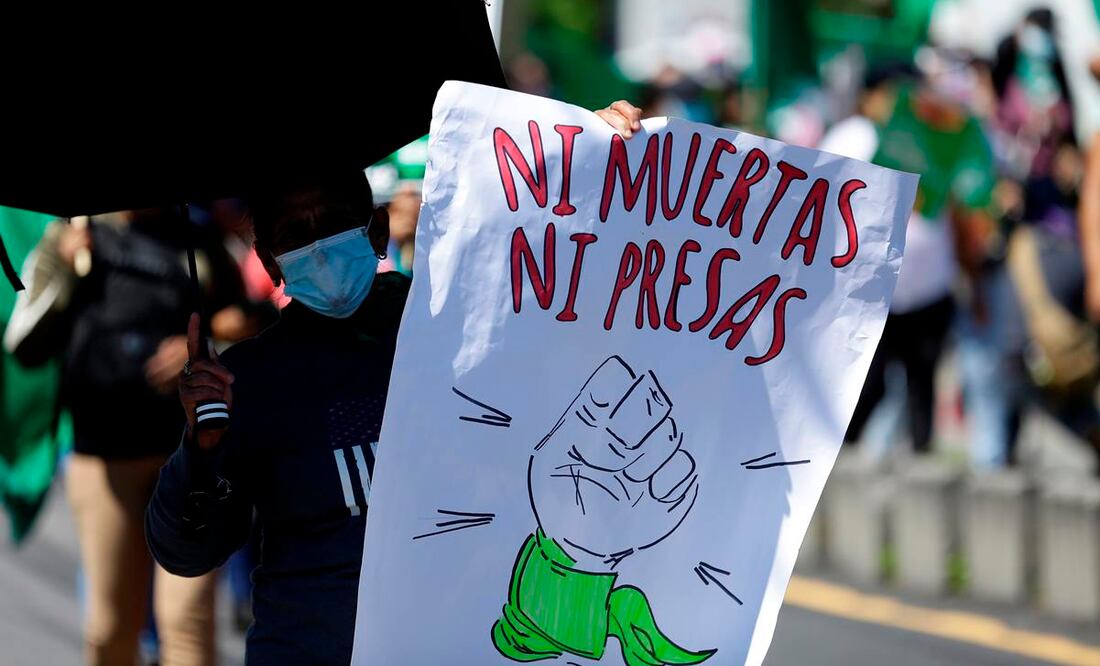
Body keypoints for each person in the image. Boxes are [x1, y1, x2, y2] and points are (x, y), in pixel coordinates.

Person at [145, 101, 646, 665]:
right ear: (270, 258)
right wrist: (201, 449)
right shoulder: (251, 381)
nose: (320, 245)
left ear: (377, 228)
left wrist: (588, 151)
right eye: (296, 233)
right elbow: (185, 553)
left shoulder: (461, 332)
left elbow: (563, 291)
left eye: (333, 221)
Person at [4, 207, 248, 665]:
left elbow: (247, 321)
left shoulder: (198, 237)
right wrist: (62, 276)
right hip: (104, 463)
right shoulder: (71, 237)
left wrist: (201, 342)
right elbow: (23, 345)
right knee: (111, 626)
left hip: (189, 463)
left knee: (187, 622)